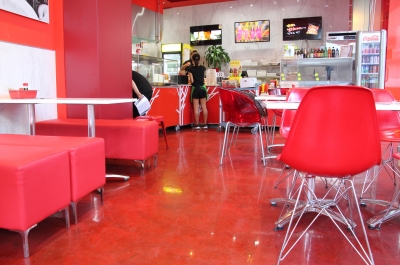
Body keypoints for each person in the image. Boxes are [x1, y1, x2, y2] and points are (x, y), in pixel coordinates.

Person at [184, 53, 208, 130]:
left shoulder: (190, 69)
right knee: (204, 107)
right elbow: (203, 78)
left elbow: (192, 80)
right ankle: (205, 124)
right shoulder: (203, 68)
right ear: (199, 59)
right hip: (202, 88)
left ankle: (197, 125)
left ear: (192, 60)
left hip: (195, 88)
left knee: (196, 107)